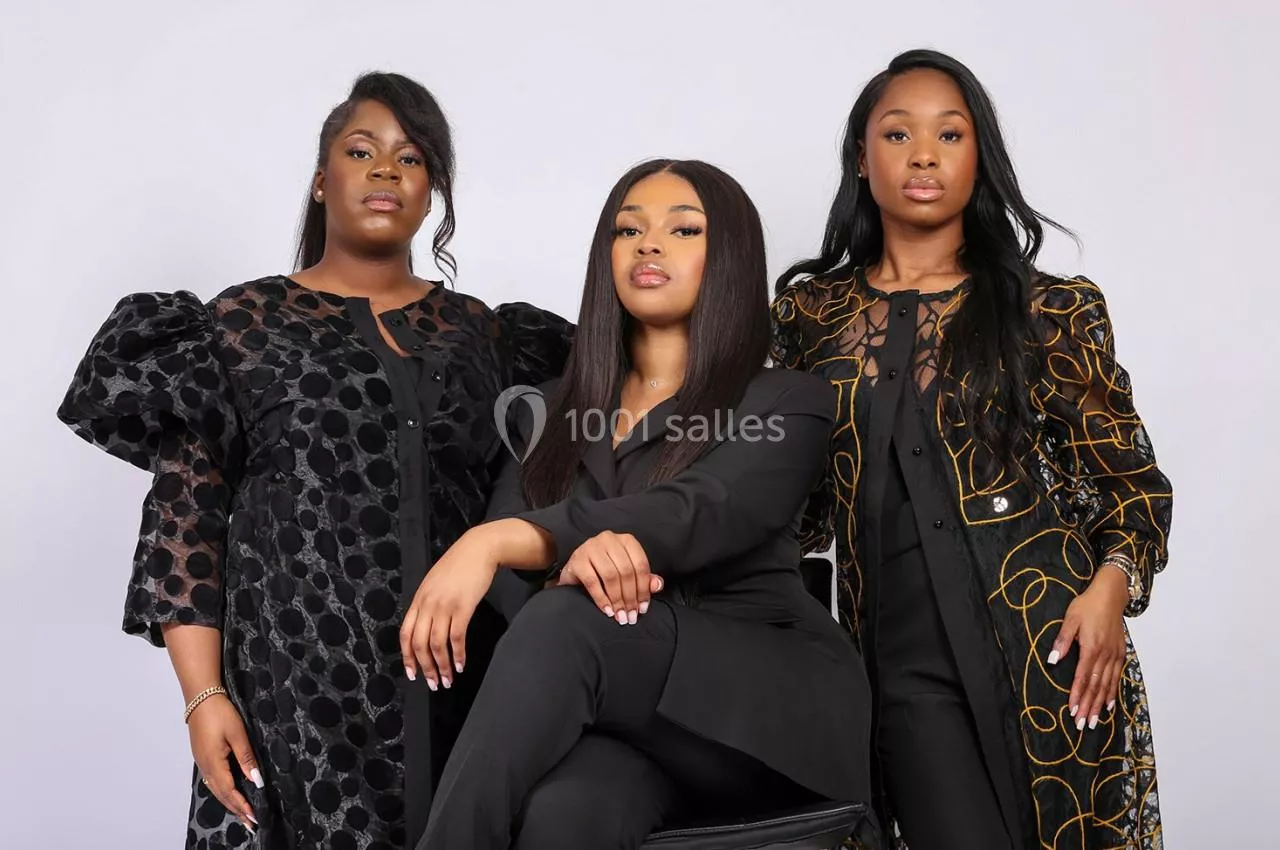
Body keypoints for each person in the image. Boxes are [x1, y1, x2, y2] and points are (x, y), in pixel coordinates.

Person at [56, 72, 573, 849]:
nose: (385, 170)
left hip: (465, 693)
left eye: (411, 158)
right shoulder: (240, 325)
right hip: (293, 705)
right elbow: (184, 525)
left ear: (432, 193)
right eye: (361, 151)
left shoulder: (490, 337)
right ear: (321, 180)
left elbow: (578, 462)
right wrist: (204, 698)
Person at [397, 159, 874, 850]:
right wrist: (572, 567)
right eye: (628, 230)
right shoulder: (544, 412)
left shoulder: (788, 401)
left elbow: (701, 511)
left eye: (684, 229)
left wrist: (495, 543)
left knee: (567, 619)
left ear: (731, 256)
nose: (649, 244)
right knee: (566, 811)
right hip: (627, 721)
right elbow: (513, 586)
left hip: (768, 711)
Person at [771, 49, 1173, 850]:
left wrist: (1108, 596)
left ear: (978, 157)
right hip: (898, 660)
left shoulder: (1049, 309)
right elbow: (786, 504)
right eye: (898, 134)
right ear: (862, 158)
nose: (923, 155)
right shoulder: (809, 316)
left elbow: (1131, 486)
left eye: (949, 135)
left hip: (1052, 650)